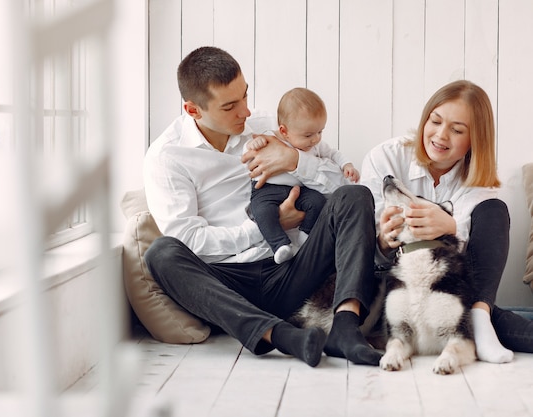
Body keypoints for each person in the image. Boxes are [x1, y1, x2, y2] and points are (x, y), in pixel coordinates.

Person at [143, 46, 382, 368]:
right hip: (228, 286)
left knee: (355, 194)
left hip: (293, 271)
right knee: (162, 253)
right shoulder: (167, 157)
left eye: (244, 96)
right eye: (230, 106)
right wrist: (267, 228)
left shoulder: (271, 127)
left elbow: (342, 191)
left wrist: (297, 160)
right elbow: (191, 240)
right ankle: (280, 336)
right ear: (193, 109)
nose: (245, 112)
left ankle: (345, 327)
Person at [361, 79, 533, 363]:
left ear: (474, 140)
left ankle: (479, 314)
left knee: (494, 210)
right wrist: (384, 237)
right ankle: (480, 319)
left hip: (446, 288)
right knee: (496, 320)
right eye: (435, 121)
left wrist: (452, 227)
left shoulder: (479, 183)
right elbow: (369, 234)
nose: (441, 136)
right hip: (391, 282)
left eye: (457, 130)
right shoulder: (387, 157)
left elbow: (468, 259)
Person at [244, 87, 360, 264]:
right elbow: (248, 153)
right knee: (262, 211)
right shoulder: (268, 138)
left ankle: (305, 235)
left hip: (299, 190)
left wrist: (347, 165)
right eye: (308, 135)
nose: (315, 139)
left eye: (320, 132)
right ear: (284, 131)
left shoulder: (314, 145)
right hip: (266, 190)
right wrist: (255, 143)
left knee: (317, 202)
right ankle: (280, 245)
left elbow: (333, 153)